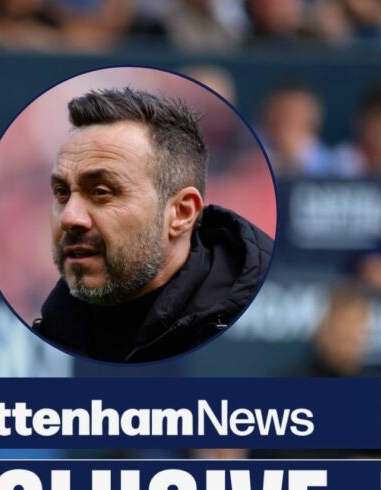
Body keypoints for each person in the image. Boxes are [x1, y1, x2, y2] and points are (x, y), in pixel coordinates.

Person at [32, 87, 273, 362]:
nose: (69, 217)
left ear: (181, 213)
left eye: (101, 192)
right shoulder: (55, 330)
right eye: (62, 193)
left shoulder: (253, 338)